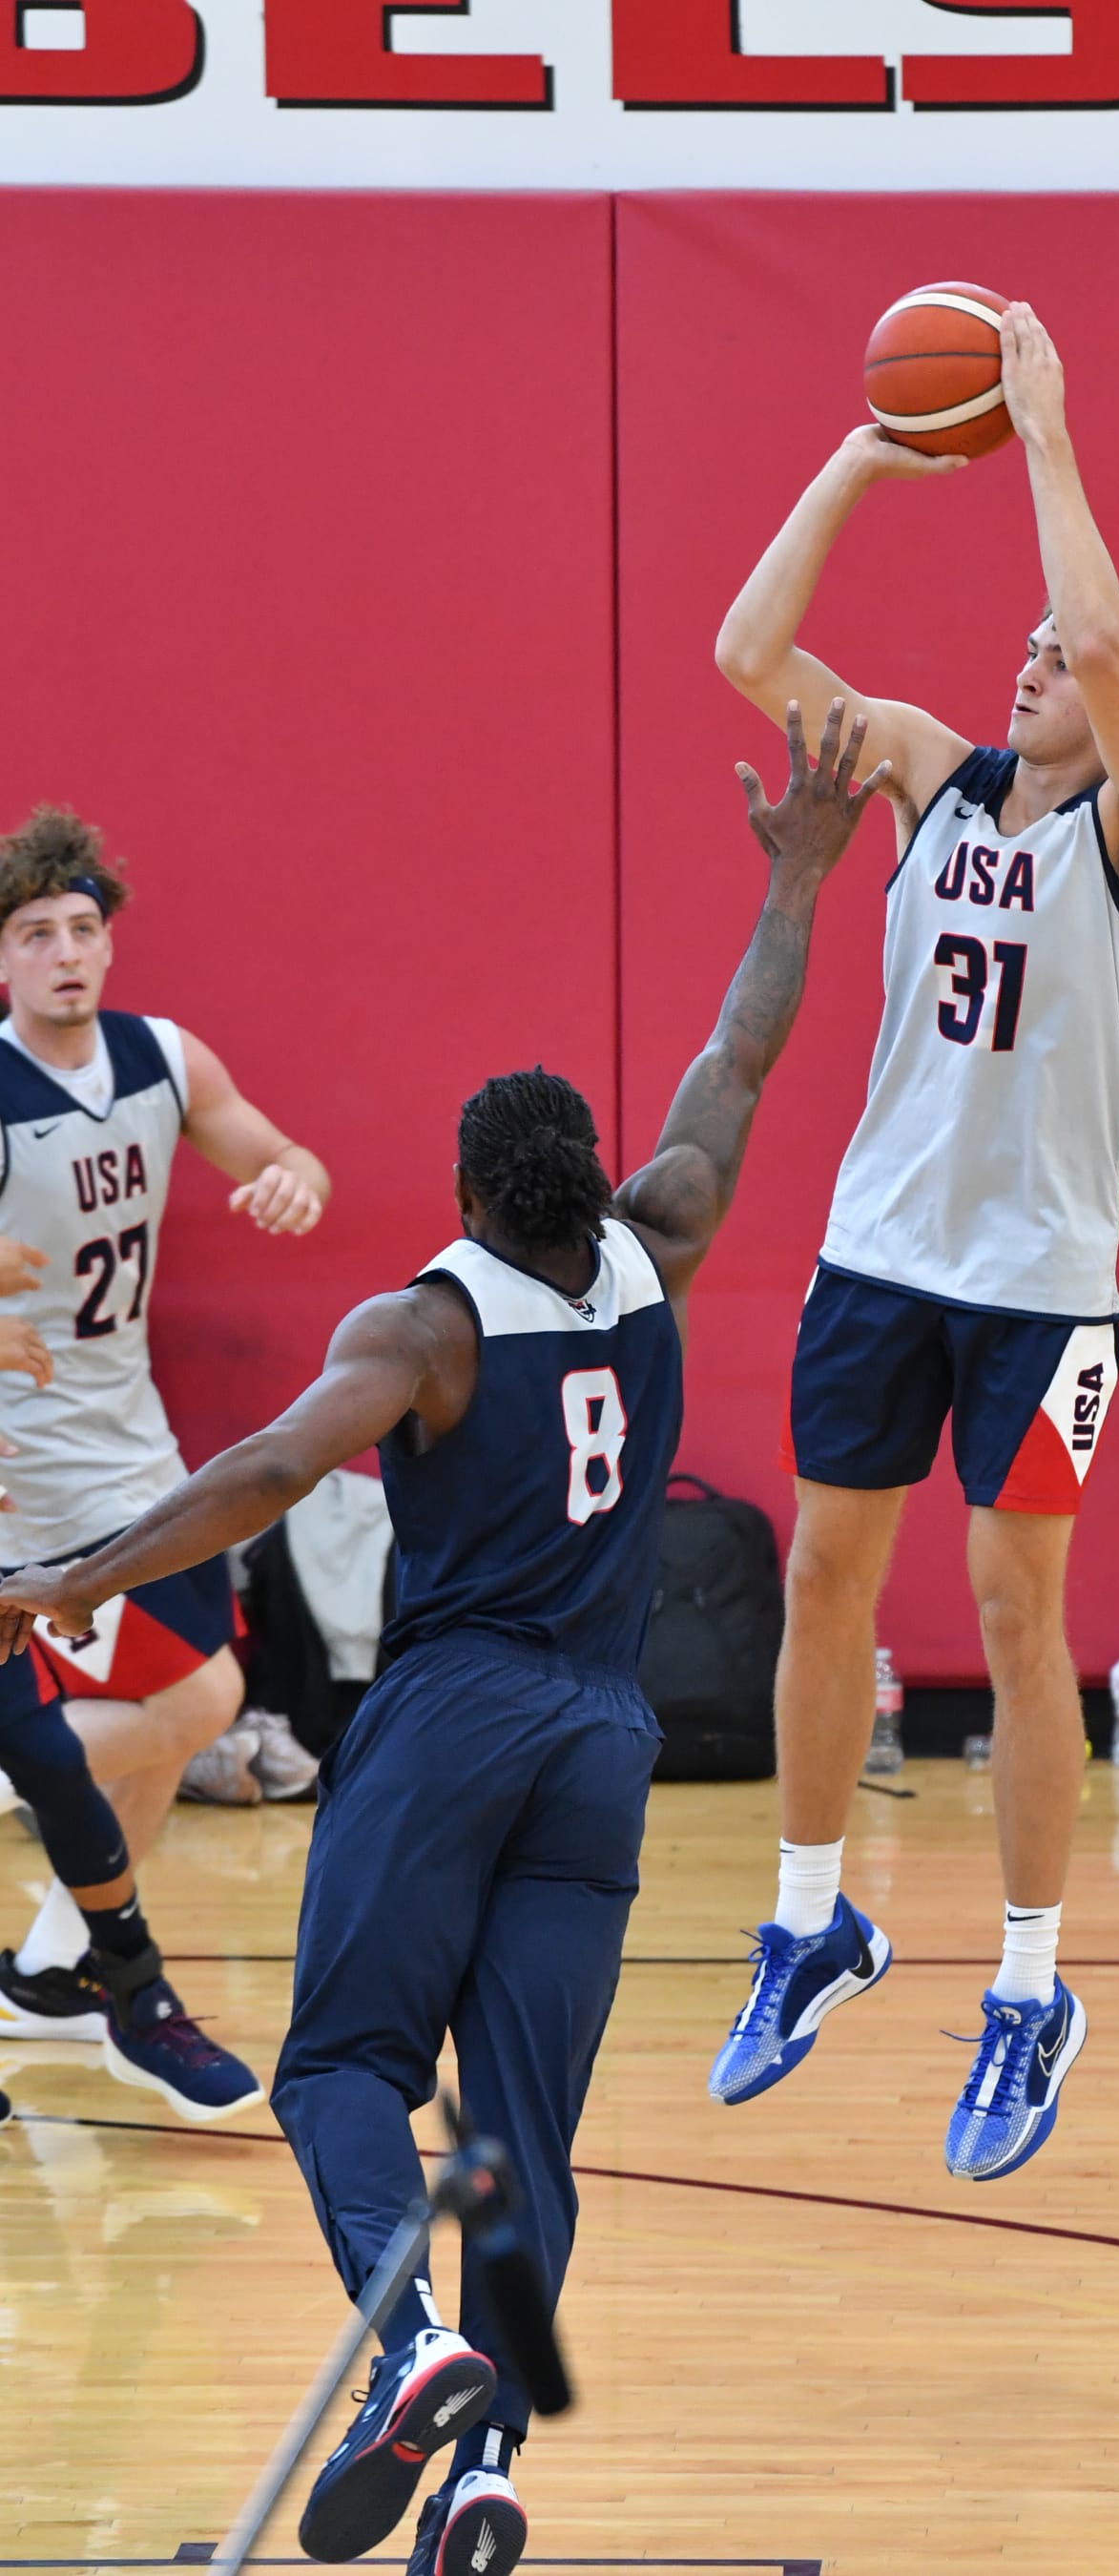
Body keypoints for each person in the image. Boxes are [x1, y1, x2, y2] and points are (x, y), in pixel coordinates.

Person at [0, 708, 887, 2576]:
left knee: (340, 2074)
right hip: (605, 1742)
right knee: (526, 2146)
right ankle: (483, 2477)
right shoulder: (667, 1239)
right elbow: (741, 1058)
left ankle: (409, 2361)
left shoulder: (423, 1328)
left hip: (460, 1711)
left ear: (478, 1193)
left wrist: (76, 1576)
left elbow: (251, 1474)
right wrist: (803, 872)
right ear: (588, 1179)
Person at [709, 303, 1119, 2180]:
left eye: (1061, 666)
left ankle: (1027, 1987)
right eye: (1016, 654)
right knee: (830, 1585)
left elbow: (1095, 626)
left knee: (1018, 1621)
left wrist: (1047, 428)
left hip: (1043, 1296)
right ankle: (812, 1918)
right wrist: (868, 455)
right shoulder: (929, 775)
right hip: (880, 1257)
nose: (1030, 671)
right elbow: (747, 650)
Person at [0, 805, 330, 2058]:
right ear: (6, 960)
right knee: (210, 1697)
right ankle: (17, 1761)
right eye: (38, 934)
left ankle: (51, 1970)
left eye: (84, 928)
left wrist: (294, 1172)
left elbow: (276, 1146)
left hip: (140, 1452)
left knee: (166, 1733)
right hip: (32, 1476)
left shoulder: (164, 1060)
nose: (68, 952)